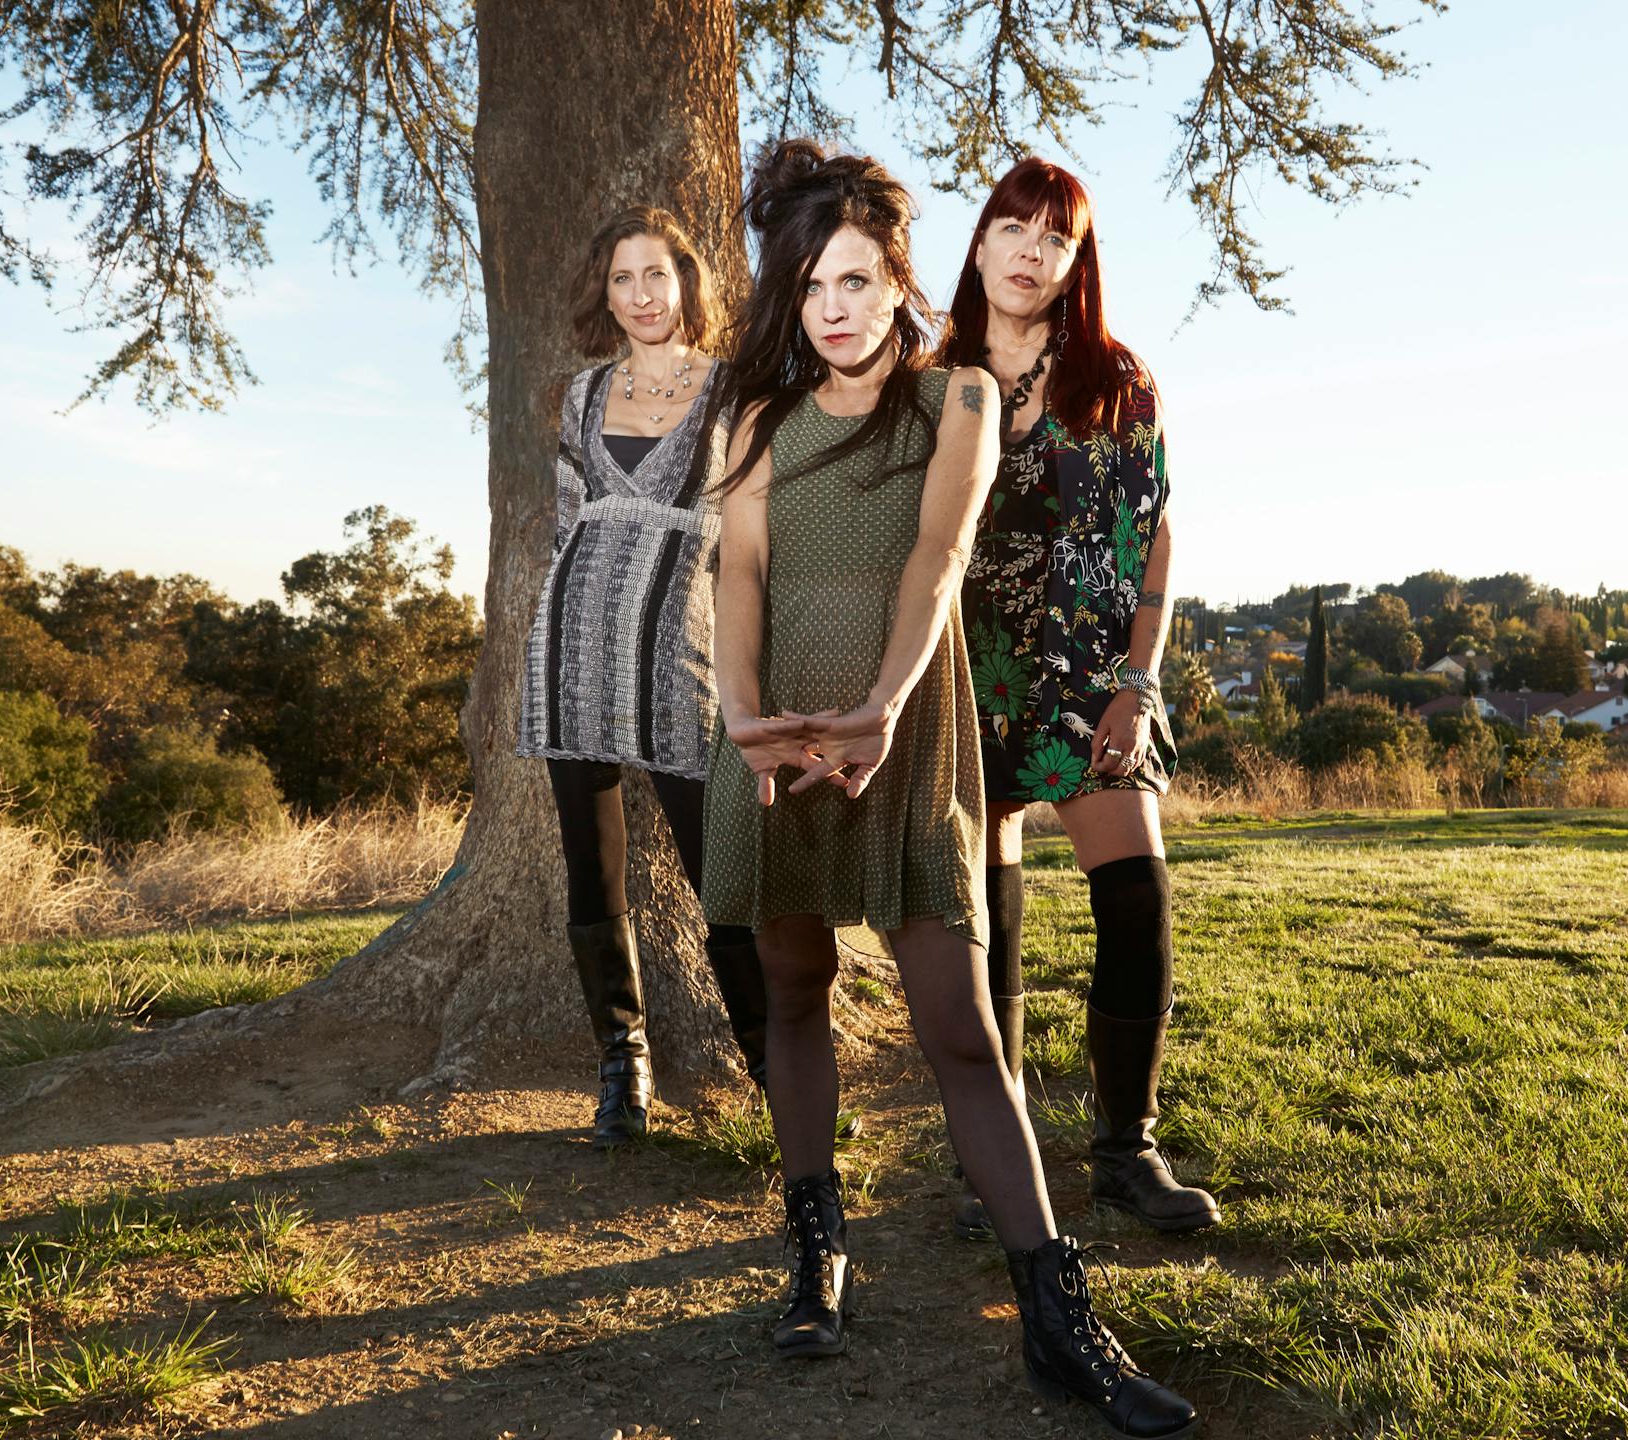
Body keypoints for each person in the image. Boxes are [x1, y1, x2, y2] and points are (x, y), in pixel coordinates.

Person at [703, 139, 1196, 1439]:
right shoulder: (752, 414)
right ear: (786, 294)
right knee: (796, 993)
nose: (836, 307)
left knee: (960, 1028)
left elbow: (935, 562)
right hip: (768, 731)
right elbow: (739, 577)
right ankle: (817, 1250)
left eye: (859, 279)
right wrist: (744, 718)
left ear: (899, 278)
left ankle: (1058, 1320)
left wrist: (880, 704)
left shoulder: (959, 403)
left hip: (906, 727)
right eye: (811, 283)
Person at [937, 158, 1219, 1236]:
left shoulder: (1117, 379)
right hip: (966, 676)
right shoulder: (930, 374)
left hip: (1093, 679)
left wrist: (1138, 687)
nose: (1028, 251)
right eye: (1011, 227)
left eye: (1053, 239)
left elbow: (1154, 539)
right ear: (978, 243)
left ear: (1073, 262)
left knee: (1137, 897)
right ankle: (994, 1170)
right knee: (988, 925)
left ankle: (1125, 1153)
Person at [515, 207, 768, 1147]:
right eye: (622, 280)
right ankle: (622, 1063)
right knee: (594, 865)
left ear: (686, 282)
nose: (641, 296)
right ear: (605, 294)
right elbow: (568, 520)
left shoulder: (736, 390)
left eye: (655, 275)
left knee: (722, 870)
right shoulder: (579, 395)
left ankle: (775, 1063)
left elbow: (749, 534)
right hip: (572, 645)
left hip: (679, 651)